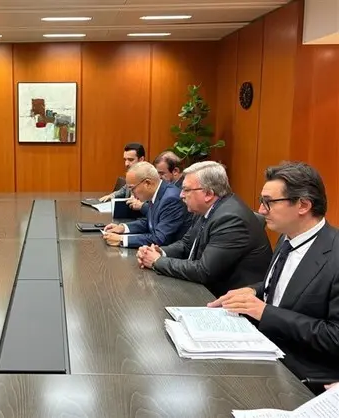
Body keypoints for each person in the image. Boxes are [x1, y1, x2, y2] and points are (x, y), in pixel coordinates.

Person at [208, 162, 339, 389]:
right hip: (266, 348)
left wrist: (264, 312)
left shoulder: (334, 254)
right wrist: (254, 290)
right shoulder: (287, 237)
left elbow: (334, 337)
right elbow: (288, 286)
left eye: (269, 202)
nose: (261, 210)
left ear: (303, 205)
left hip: (301, 374)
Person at [137, 161, 272, 297]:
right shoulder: (206, 208)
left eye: (186, 190)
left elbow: (204, 271)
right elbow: (186, 244)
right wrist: (159, 252)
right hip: (204, 290)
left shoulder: (230, 219)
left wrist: (157, 261)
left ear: (208, 194)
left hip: (228, 299)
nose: (181, 195)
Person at [102, 162, 190, 248]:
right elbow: (150, 222)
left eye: (132, 188)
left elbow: (160, 239)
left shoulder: (171, 199)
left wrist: (122, 239)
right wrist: (123, 228)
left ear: (147, 183)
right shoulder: (156, 193)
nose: (132, 194)